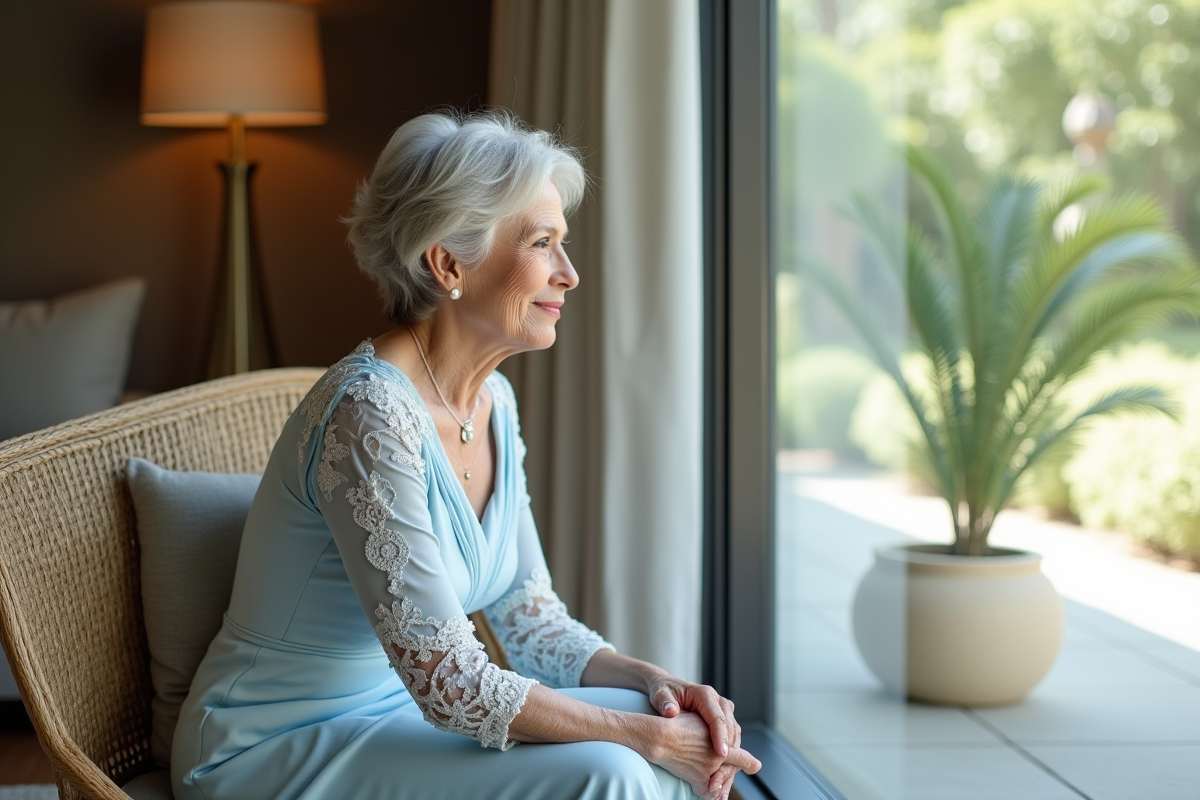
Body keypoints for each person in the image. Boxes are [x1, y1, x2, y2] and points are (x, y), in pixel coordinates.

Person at [171, 110, 760, 800]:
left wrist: (658, 685)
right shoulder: (369, 414)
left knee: (666, 723)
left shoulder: (492, 401)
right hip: (272, 744)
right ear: (448, 262)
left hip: (398, 715)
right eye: (542, 244)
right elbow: (450, 684)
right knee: (620, 764)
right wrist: (645, 738)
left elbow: (528, 620)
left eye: (563, 244)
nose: (569, 274)